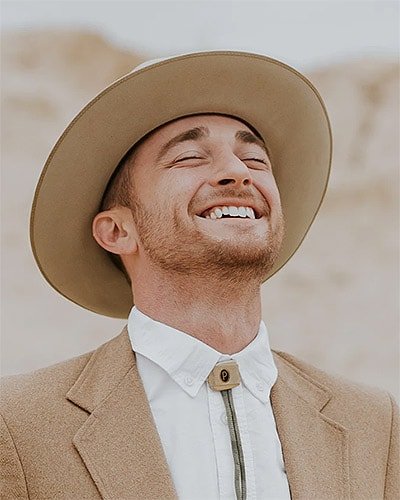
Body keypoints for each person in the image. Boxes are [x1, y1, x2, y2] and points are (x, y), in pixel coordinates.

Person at [1, 51, 398, 500]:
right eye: (190, 157)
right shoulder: (18, 424)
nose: (237, 172)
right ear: (117, 231)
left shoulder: (374, 424)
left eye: (255, 159)